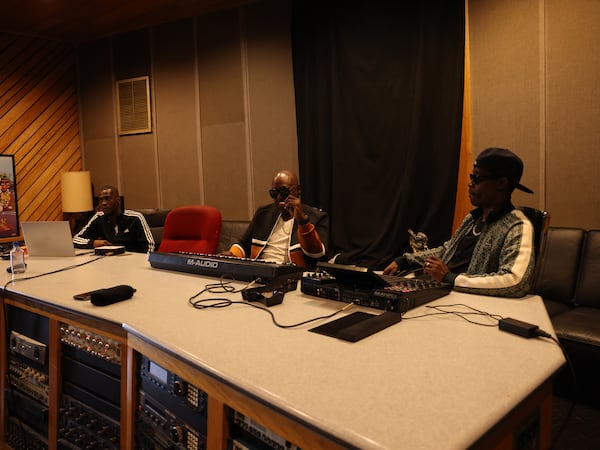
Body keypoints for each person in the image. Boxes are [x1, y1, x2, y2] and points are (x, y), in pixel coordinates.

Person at [383, 147, 536, 298]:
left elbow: (515, 282)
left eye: (477, 179)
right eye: (471, 177)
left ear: (501, 183)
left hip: (472, 304)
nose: (470, 184)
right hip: (446, 294)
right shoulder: (472, 219)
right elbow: (446, 251)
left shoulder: (517, 226)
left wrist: (450, 278)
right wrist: (405, 260)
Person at [222, 170, 328, 267]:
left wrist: (302, 221)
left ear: (298, 190)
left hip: (292, 275)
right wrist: (232, 254)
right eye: (274, 193)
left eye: (283, 192)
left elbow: (317, 254)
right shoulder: (263, 214)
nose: (278, 198)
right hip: (259, 271)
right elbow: (244, 244)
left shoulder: (317, 217)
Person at [73, 185, 155, 253]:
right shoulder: (98, 218)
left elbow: (150, 246)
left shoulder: (135, 218)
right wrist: (93, 243)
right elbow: (75, 240)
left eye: (108, 199)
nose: (104, 203)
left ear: (118, 200)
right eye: (101, 200)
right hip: (107, 263)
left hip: (132, 263)